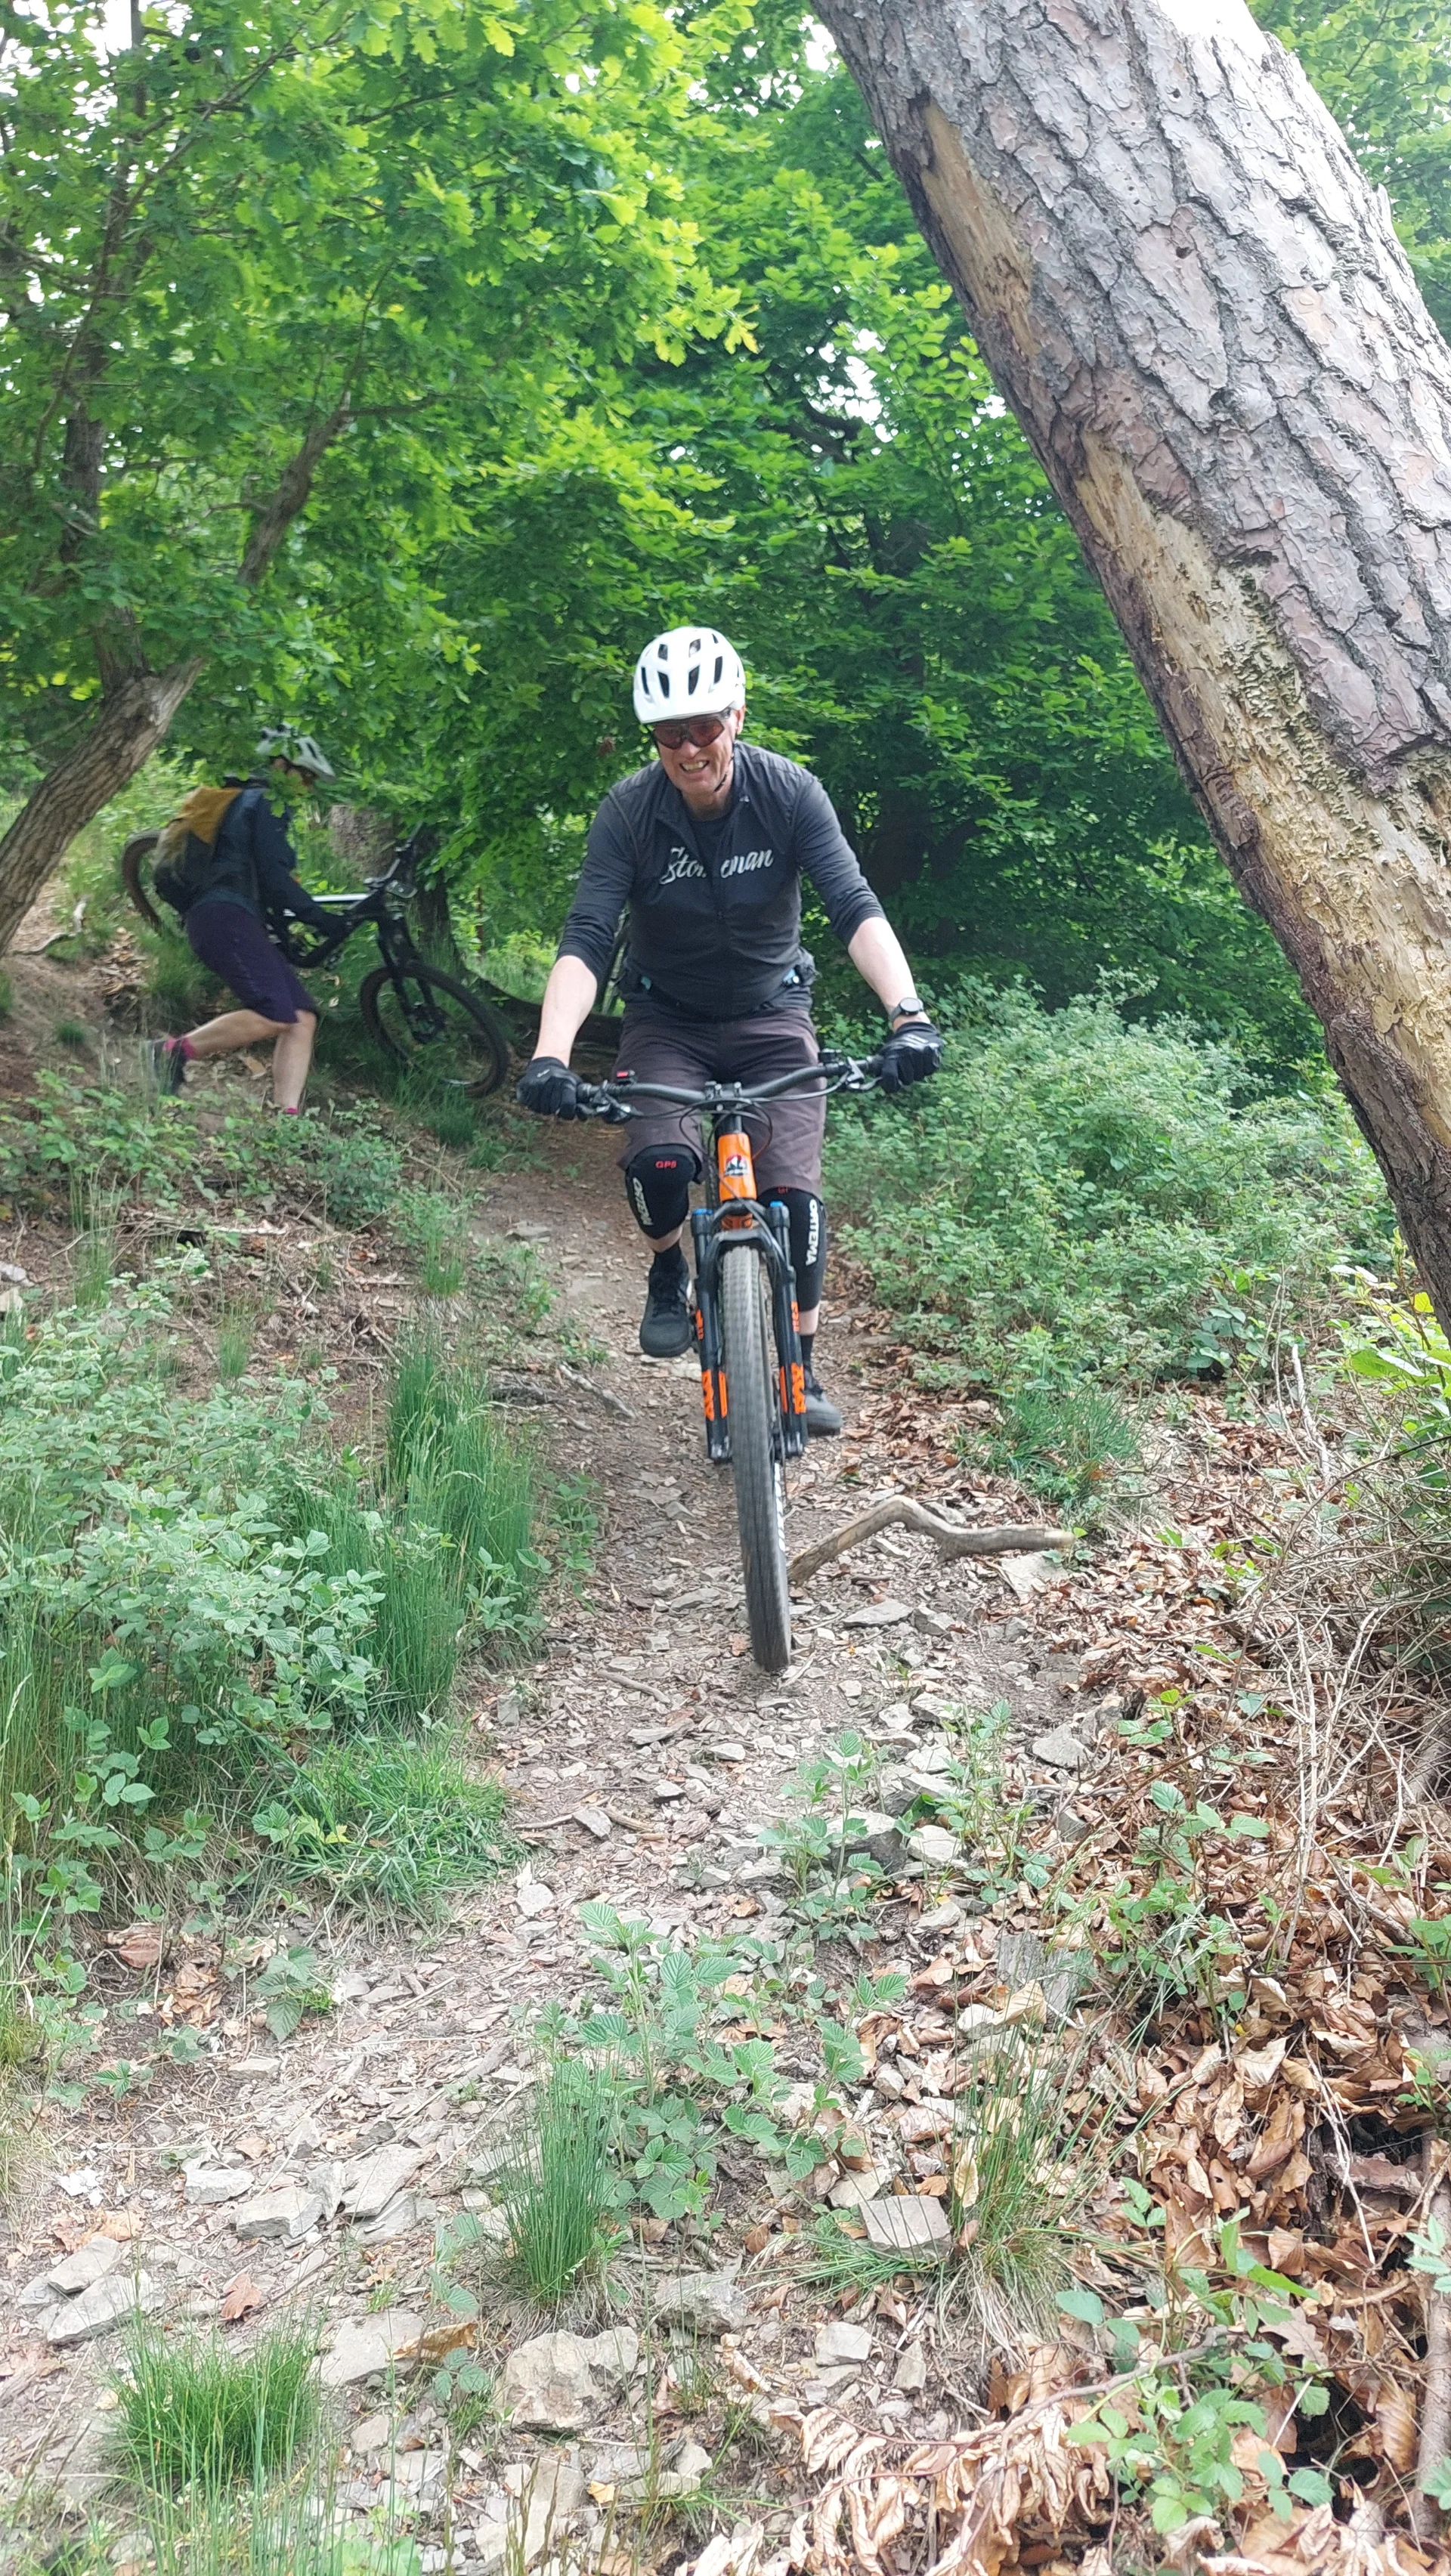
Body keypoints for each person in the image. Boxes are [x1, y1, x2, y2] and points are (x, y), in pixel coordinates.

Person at [516, 626, 942, 1436]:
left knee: (796, 1199)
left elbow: (854, 906)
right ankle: (669, 1268)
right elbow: (587, 937)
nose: (689, 747)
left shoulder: (788, 794)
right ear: (654, 738)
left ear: (736, 718)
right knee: (661, 1159)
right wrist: (551, 1053)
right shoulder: (630, 812)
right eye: (670, 732)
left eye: (704, 725)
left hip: (771, 1015)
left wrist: (907, 1015)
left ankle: (803, 1369)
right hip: (665, 1020)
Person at [145, 727, 339, 1112]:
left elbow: (264, 883)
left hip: (231, 918)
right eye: (306, 775)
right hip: (224, 916)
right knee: (274, 1012)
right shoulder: (263, 802)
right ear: (281, 766)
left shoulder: (244, 804)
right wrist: (320, 918)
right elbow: (275, 879)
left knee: (301, 1017)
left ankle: (287, 1118)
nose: (309, 786)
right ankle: (169, 1052)